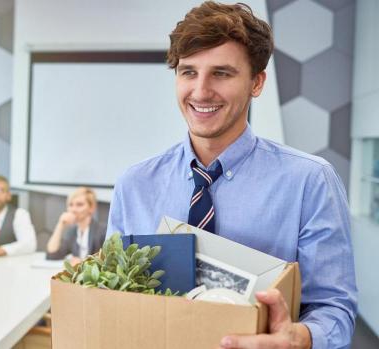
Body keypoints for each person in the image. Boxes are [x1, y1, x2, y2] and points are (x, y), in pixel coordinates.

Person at [106, 2, 357, 349]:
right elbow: (113, 292)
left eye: (221, 73)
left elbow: (335, 310)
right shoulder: (134, 185)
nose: (201, 91)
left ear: (256, 82)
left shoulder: (310, 181)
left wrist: (300, 338)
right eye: (188, 72)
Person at [46, 187, 106, 264]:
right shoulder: (73, 232)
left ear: (92, 208)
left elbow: (107, 262)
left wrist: (83, 262)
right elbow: (52, 255)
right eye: (70, 205)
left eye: (79, 205)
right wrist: (60, 224)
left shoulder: (102, 231)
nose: (73, 209)